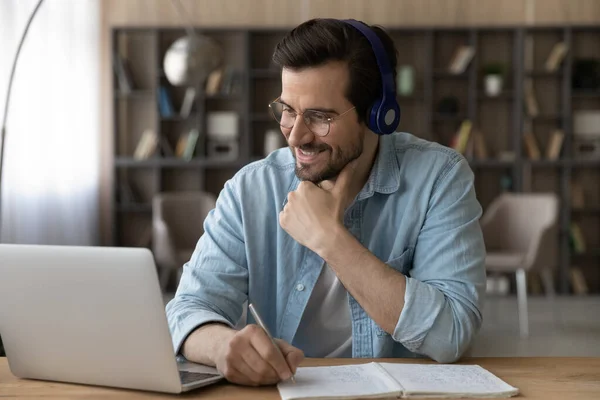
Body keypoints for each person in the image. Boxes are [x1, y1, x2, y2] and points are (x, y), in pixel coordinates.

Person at [165, 18, 486, 387]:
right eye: (287, 110)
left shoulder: (440, 178)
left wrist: (330, 239)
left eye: (320, 117)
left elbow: (452, 334)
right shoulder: (251, 189)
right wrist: (222, 345)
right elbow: (187, 310)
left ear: (377, 113)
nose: (296, 135)